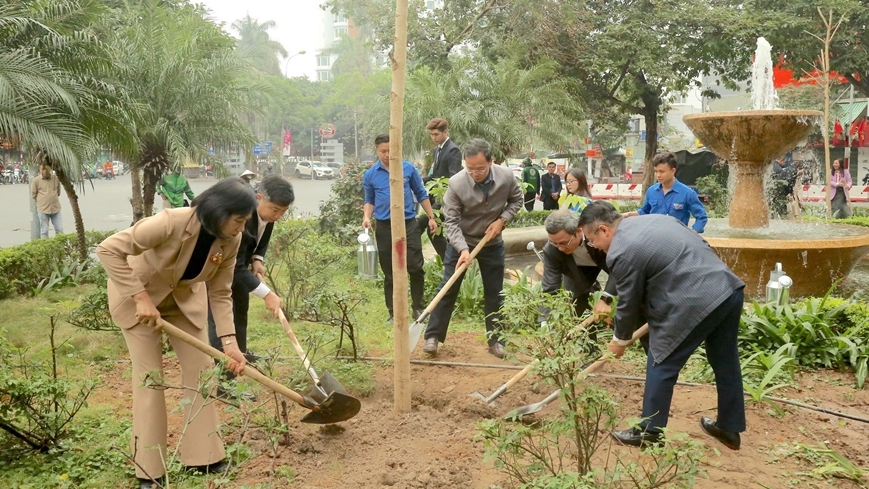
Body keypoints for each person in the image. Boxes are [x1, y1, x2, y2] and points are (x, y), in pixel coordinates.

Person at [95, 178, 256, 488]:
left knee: (202, 369)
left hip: (183, 302)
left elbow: (221, 292)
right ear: (219, 211)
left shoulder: (231, 240)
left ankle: (204, 456)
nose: (241, 228)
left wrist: (229, 343)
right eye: (238, 220)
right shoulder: (170, 222)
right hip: (140, 301)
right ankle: (149, 469)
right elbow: (108, 249)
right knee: (150, 378)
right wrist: (140, 298)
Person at [578, 201, 745, 450]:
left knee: (661, 360)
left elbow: (628, 302)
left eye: (593, 241)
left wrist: (619, 341)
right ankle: (729, 428)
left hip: (694, 299)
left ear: (604, 229)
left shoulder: (620, 250)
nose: (596, 247)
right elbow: (700, 246)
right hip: (727, 288)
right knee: (725, 361)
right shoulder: (657, 219)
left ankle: (649, 431)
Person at [423, 139, 523, 359]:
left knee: (495, 292)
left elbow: (517, 200)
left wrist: (502, 221)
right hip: (462, 242)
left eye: (480, 169)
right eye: (470, 169)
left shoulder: (506, 177)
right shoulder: (457, 183)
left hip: (491, 243)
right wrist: (462, 249)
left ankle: (496, 340)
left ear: (491, 161)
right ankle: (433, 337)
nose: (475, 174)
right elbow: (451, 221)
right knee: (448, 287)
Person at [207, 175, 294, 400]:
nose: (277, 216)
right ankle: (225, 386)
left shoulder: (268, 215)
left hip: (237, 270)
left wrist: (257, 258)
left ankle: (240, 357)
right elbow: (235, 268)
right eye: (275, 210)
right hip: (216, 274)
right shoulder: (242, 220)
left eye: (283, 212)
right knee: (222, 324)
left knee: (239, 318)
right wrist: (267, 294)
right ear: (259, 197)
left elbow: (262, 237)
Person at [363, 134, 438, 323]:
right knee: (389, 271)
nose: (387, 154)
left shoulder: (408, 168)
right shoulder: (371, 175)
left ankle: (418, 307)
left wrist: (431, 217)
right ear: (377, 151)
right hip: (384, 226)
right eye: (383, 151)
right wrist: (366, 217)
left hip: (408, 223)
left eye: (391, 150)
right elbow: (369, 200)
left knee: (415, 267)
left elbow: (420, 193)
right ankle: (393, 311)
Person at [542, 210, 615, 320]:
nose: (560, 248)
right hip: (577, 268)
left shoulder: (599, 236)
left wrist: (606, 297)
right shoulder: (552, 250)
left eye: (564, 243)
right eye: (554, 243)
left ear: (579, 231)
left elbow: (619, 268)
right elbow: (550, 287)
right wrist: (544, 321)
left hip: (605, 260)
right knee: (575, 300)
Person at [622, 152, 707, 233]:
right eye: (656, 171)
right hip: (654, 237)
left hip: (676, 238)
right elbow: (645, 211)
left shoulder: (687, 193)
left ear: (673, 171)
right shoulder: (651, 191)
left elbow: (701, 217)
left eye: (662, 172)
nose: (658, 175)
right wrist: (628, 214)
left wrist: (693, 233)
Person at [419, 118, 463, 260]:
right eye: (431, 134)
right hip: (435, 197)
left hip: (444, 199)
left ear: (445, 132)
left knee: (422, 226)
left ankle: (449, 263)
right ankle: (449, 263)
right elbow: (436, 176)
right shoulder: (437, 150)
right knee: (431, 232)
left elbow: (453, 179)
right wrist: (417, 181)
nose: (434, 137)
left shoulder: (453, 150)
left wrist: (444, 203)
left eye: (436, 134)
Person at [30, 162, 63, 238]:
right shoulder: (36, 181)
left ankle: (60, 244)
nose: (44, 171)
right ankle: (45, 244)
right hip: (43, 210)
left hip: (55, 208)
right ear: (40, 170)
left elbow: (58, 192)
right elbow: (34, 195)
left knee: (59, 230)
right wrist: (42, 201)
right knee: (44, 231)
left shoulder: (55, 179)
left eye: (46, 169)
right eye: (43, 169)